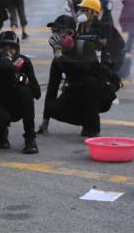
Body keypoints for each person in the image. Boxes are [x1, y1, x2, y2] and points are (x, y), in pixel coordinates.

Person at [38, 10, 122, 138]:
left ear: (70, 33)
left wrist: (60, 57)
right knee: (53, 108)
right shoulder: (58, 57)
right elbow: (52, 88)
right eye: (54, 31)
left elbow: (84, 68)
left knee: (90, 84)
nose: (55, 35)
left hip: (100, 94)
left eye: (59, 31)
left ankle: (92, 128)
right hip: (76, 92)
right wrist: (45, 123)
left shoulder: (85, 45)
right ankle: (87, 120)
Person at [0, 31, 40, 153]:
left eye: (12, 48)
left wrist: (26, 81)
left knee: (26, 92)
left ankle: (30, 138)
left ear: (18, 50)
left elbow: (37, 93)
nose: (7, 52)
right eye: (3, 48)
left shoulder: (24, 63)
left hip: (16, 106)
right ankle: (1, 135)